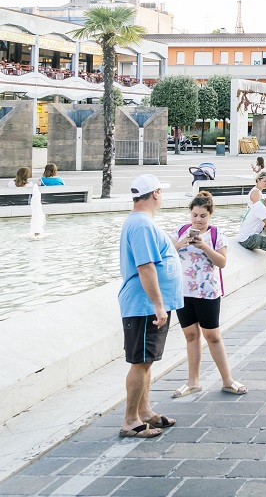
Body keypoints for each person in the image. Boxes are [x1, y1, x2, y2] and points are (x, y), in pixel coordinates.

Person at [117, 174, 183, 438]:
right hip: (144, 305)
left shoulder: (141, 222)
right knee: (140, 363)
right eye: (161, 192)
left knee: (146, 361)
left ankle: (144, 412)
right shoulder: (142, 225)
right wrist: (158, 305)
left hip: (147, 304)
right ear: (155, 194)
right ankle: (130, 420)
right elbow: (145, 267)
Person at [171, 191, 245, 398]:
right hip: (183, 292)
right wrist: (181, 243)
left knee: (212, 336)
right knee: (190, 335)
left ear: (210, 215)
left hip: (208, 292)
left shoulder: (216, 234)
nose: (198, 220)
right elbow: (166, 254)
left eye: (203, 215)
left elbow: (221, 262)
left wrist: (203, 246)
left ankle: (228, 380)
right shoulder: (181, 231)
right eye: (194, 215)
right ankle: (192, 382)